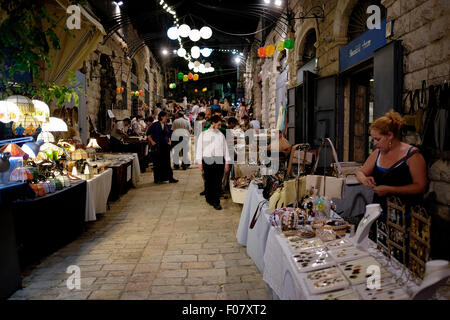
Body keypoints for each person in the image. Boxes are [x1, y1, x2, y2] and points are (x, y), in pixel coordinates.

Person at [356, 110, 427, 210]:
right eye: (373, 139)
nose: (374, 144)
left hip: (404, 214)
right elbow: (360, 172)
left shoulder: (412, 155)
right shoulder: (378, 153)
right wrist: (365, 179)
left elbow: (420, 187)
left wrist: (390, 190)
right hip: (379, 212)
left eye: (378, 139)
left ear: (390, 135)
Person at [196, 115, 231, 210]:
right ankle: (209, 198)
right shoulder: (203, 134)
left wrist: (227, 162)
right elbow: (199, 148)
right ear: (213, 123)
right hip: (207, 160)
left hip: (219, 160)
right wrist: (199, 162)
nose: (220, 127)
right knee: (208, 180)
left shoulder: (221, 135)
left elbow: (225, 149)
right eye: (218, 125)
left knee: (217, 181)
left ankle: (216, 202)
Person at [147, 111, 178, 184]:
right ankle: (157, 179)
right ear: (161, 117)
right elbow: (148, 134)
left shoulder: (166, 125)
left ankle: (170, 178)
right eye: (165, 116)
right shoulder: (155, 125)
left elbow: (168, 135)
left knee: (167, 162)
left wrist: (169, 141)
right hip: (157, 146)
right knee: (157, 163)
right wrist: (152, 142)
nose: (167, 118)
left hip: (165, 146)